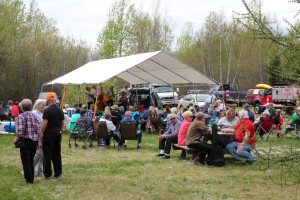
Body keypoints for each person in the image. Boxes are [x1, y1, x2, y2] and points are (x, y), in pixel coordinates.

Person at [14, 99, 42, 184]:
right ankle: (31, 178)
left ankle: (28, 179)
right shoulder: (35, 116)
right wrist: (38, 142)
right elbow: (39, 131)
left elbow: (20, 132)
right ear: (31, 107)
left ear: (21, 108)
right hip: (34, 140)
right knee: (31, 159)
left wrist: (16, 140)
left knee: (25, 160)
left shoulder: (21, 116)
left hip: (26, 140)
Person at [41, 93, 64, 179]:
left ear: (47, 101)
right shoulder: (60, 110)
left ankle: (47, 174)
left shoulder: (47, 110)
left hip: (48, 133)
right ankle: (58, 174)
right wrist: (60, 131)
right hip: (57, 133)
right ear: (55, 100)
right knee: (57, 153)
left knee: (47, 154)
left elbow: (45, 122)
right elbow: (62, 123)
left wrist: (40, 132)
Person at [32, 99, 46, 177]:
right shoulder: (34, 113)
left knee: (41, 155)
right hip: (37, 137)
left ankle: (39, 172)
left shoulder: (42, 113)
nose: (44, 106)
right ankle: (27, 169)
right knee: (39, 154)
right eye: (42, 105)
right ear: (37, 105)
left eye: (44, 105)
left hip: (43, 137)